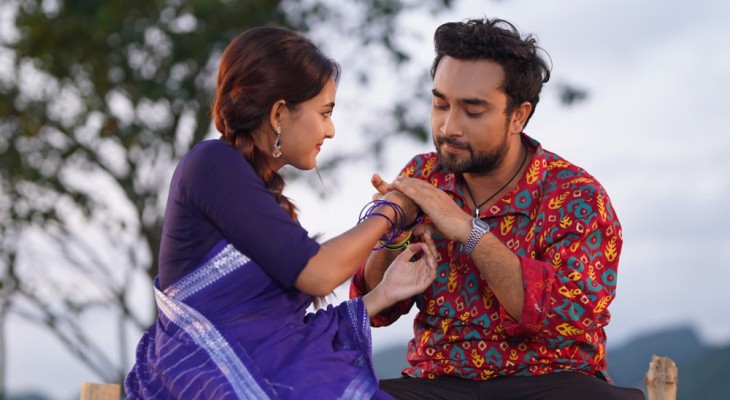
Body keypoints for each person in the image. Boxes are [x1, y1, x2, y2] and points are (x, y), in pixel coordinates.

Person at [124, 26, 438, 400]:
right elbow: (319, 273)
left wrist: (384, 293)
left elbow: (285, 336)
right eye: (324, 113)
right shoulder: (210, 164)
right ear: (278, 114)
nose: (331, 130)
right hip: (203, 383)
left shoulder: (258, 194)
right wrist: (392, 211)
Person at [350, 18, 645, 400]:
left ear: (518, 116)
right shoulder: (422, 176)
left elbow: (565, 320)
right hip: (437, 381)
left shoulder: (577, 197)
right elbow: (375, 310)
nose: (449, 127)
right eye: (440, 104)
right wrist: (394, 230)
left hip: (549, 383)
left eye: (472, 111)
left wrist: (468, 231)